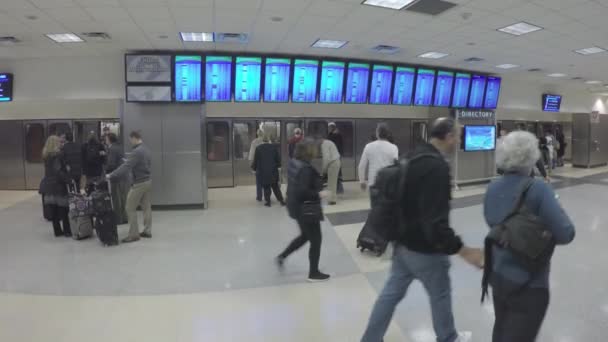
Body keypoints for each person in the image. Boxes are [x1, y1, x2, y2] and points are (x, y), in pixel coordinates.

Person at [361, 118, 483, 342]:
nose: (458, 141)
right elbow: (435, 222)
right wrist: (465, 251)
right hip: (425, 249)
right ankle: (448, 337)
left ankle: (370, 339)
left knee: (389, 296)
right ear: (447, 137)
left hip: (402, 243)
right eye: (457, 136)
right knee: (440, 295)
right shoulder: (437, 167)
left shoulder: (412, 156)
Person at [484, 131, 575, 342]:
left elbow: (493, 223)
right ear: (532, 156)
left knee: (502, 330)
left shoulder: (492, 188)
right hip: (530, 283)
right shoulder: (538, 189)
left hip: (498, 276)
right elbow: (566, 233)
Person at [276, 138, 330, 282]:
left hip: (294, 206)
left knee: (305, 236)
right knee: (316, 240)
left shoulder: (294, 163)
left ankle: (282, 257)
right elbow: (302, 191)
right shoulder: (306, 169)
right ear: (309, 152)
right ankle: (314, 273)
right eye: (314, 148)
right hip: (306, 209)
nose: (316, 150)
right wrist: (319, 193)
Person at [107, 131, 152, 243]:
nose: (130, 142)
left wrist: (111, 175)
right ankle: (147, 231)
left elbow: (126, 167)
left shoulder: (136, 151)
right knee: (146, 207)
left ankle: (133, 235)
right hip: (147, 181)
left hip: (139, 183)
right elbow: (145, 163)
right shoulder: (146, 149)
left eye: (130, 140)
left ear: (134, 138)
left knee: (129, 207)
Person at [39, 135, 72, 237]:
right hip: (59, 185)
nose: (61, 143)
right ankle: (67, 231)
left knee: (53, 209)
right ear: (55, 143)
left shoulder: (46, 155)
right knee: (64, 209)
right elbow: (58, 171)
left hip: (48, 185)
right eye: (59, 142)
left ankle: (57, 231)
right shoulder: (58, 155)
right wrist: (68, 178)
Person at [358, 123, 399, 192]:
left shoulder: (369, 146)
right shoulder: (394, 147)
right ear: (387, 134)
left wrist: (362, 181)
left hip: (373, 182)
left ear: (377, 133)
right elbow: (396, 166)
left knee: (375, 202)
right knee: (387, 203)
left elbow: (362, 166)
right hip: (388, 182)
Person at [252, 133, 285, 207]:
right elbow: (278, 159)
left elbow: (256, 160)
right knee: (276, 187)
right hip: (273, 171)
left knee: (266, 188)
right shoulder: (274, 147)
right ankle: (281, 201)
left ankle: (268, 202)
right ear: (269, 140)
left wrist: (254, 169)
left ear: (262, 141)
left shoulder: (258, 148)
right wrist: (279, 167)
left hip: (263, 172)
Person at [105, 133, 129, 225]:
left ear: (110, 139)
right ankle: (125, 218)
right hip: (124, 176)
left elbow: (111, 164)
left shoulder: (112, 149)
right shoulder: (120, 147)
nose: (105, 141)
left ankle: (118, 219)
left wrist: (105, 171)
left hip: (116, 177)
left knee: (116, 199)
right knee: (123, 198)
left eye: (106, 139)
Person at [320, 138, 340, 205]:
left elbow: (326, 158)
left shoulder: (323, 144)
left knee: (331, 183)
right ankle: (332, 199)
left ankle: (332, 200)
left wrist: (323, 171)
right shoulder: (328, 142)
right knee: (332, 182)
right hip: (335, 162)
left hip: (333, 164)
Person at [327, 122, 344, 194]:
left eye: (330, 128)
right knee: (337, 173)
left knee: (334, 174)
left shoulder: (332, 136)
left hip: (333, 157)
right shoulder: (338, 135)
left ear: (332, 127)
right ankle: (339, 189)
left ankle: (338, 189)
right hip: (337, 156)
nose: (329, 129)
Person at [249, 129, 265, 202]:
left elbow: (252, 154)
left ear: (257, 134)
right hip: (266, 164)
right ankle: (267, 196)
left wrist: (251, 165)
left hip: (258, 164)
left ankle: (259, 197)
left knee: (258, 181)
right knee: (266, 180)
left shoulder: (254, 142)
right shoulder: (267, 141)